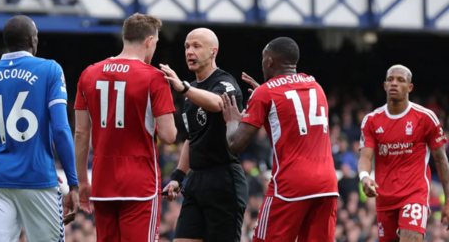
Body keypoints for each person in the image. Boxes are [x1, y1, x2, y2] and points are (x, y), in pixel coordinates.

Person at [220, 37, 339, 242]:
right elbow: (292, 120)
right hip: (327, 184)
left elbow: (235, 144)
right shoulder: (315, 86)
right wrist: (265, 100)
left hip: (291, 185)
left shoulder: (265, 93)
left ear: (269, 61)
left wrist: (231, 121)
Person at [73, 13, 177, 242]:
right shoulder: (155, 77)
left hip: (102, 182)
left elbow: (81, 133)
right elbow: (169, 136)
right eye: (156, 43)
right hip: (140, 184)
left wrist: (82, 182)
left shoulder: (88, 74)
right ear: (149, 41)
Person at [0, 15, 79, 242]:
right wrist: (73, 182)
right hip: (38, 179)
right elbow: (61, 130)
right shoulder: (50, 69)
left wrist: (8, 158)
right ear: (33, 41)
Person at [160, 28, 248, 242]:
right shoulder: (192, 94)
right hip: (196, 181)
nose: (190, 51)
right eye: (187, 47)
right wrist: (178, 178)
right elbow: (192, 138)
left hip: (223, 180)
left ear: (213, 52)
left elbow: (219, 103)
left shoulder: (224, 82)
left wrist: (183, 88)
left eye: (197, 46)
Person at [358, 65, 449, 242]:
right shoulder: (371, 120)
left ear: (409, 87)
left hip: (414, 195)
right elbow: (365, 157)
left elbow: (441, 160)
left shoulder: (425, 117)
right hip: (384, 198)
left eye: (400, 80)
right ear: (384, 86)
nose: (394, 83)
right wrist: (364, 177)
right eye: (391, 80)